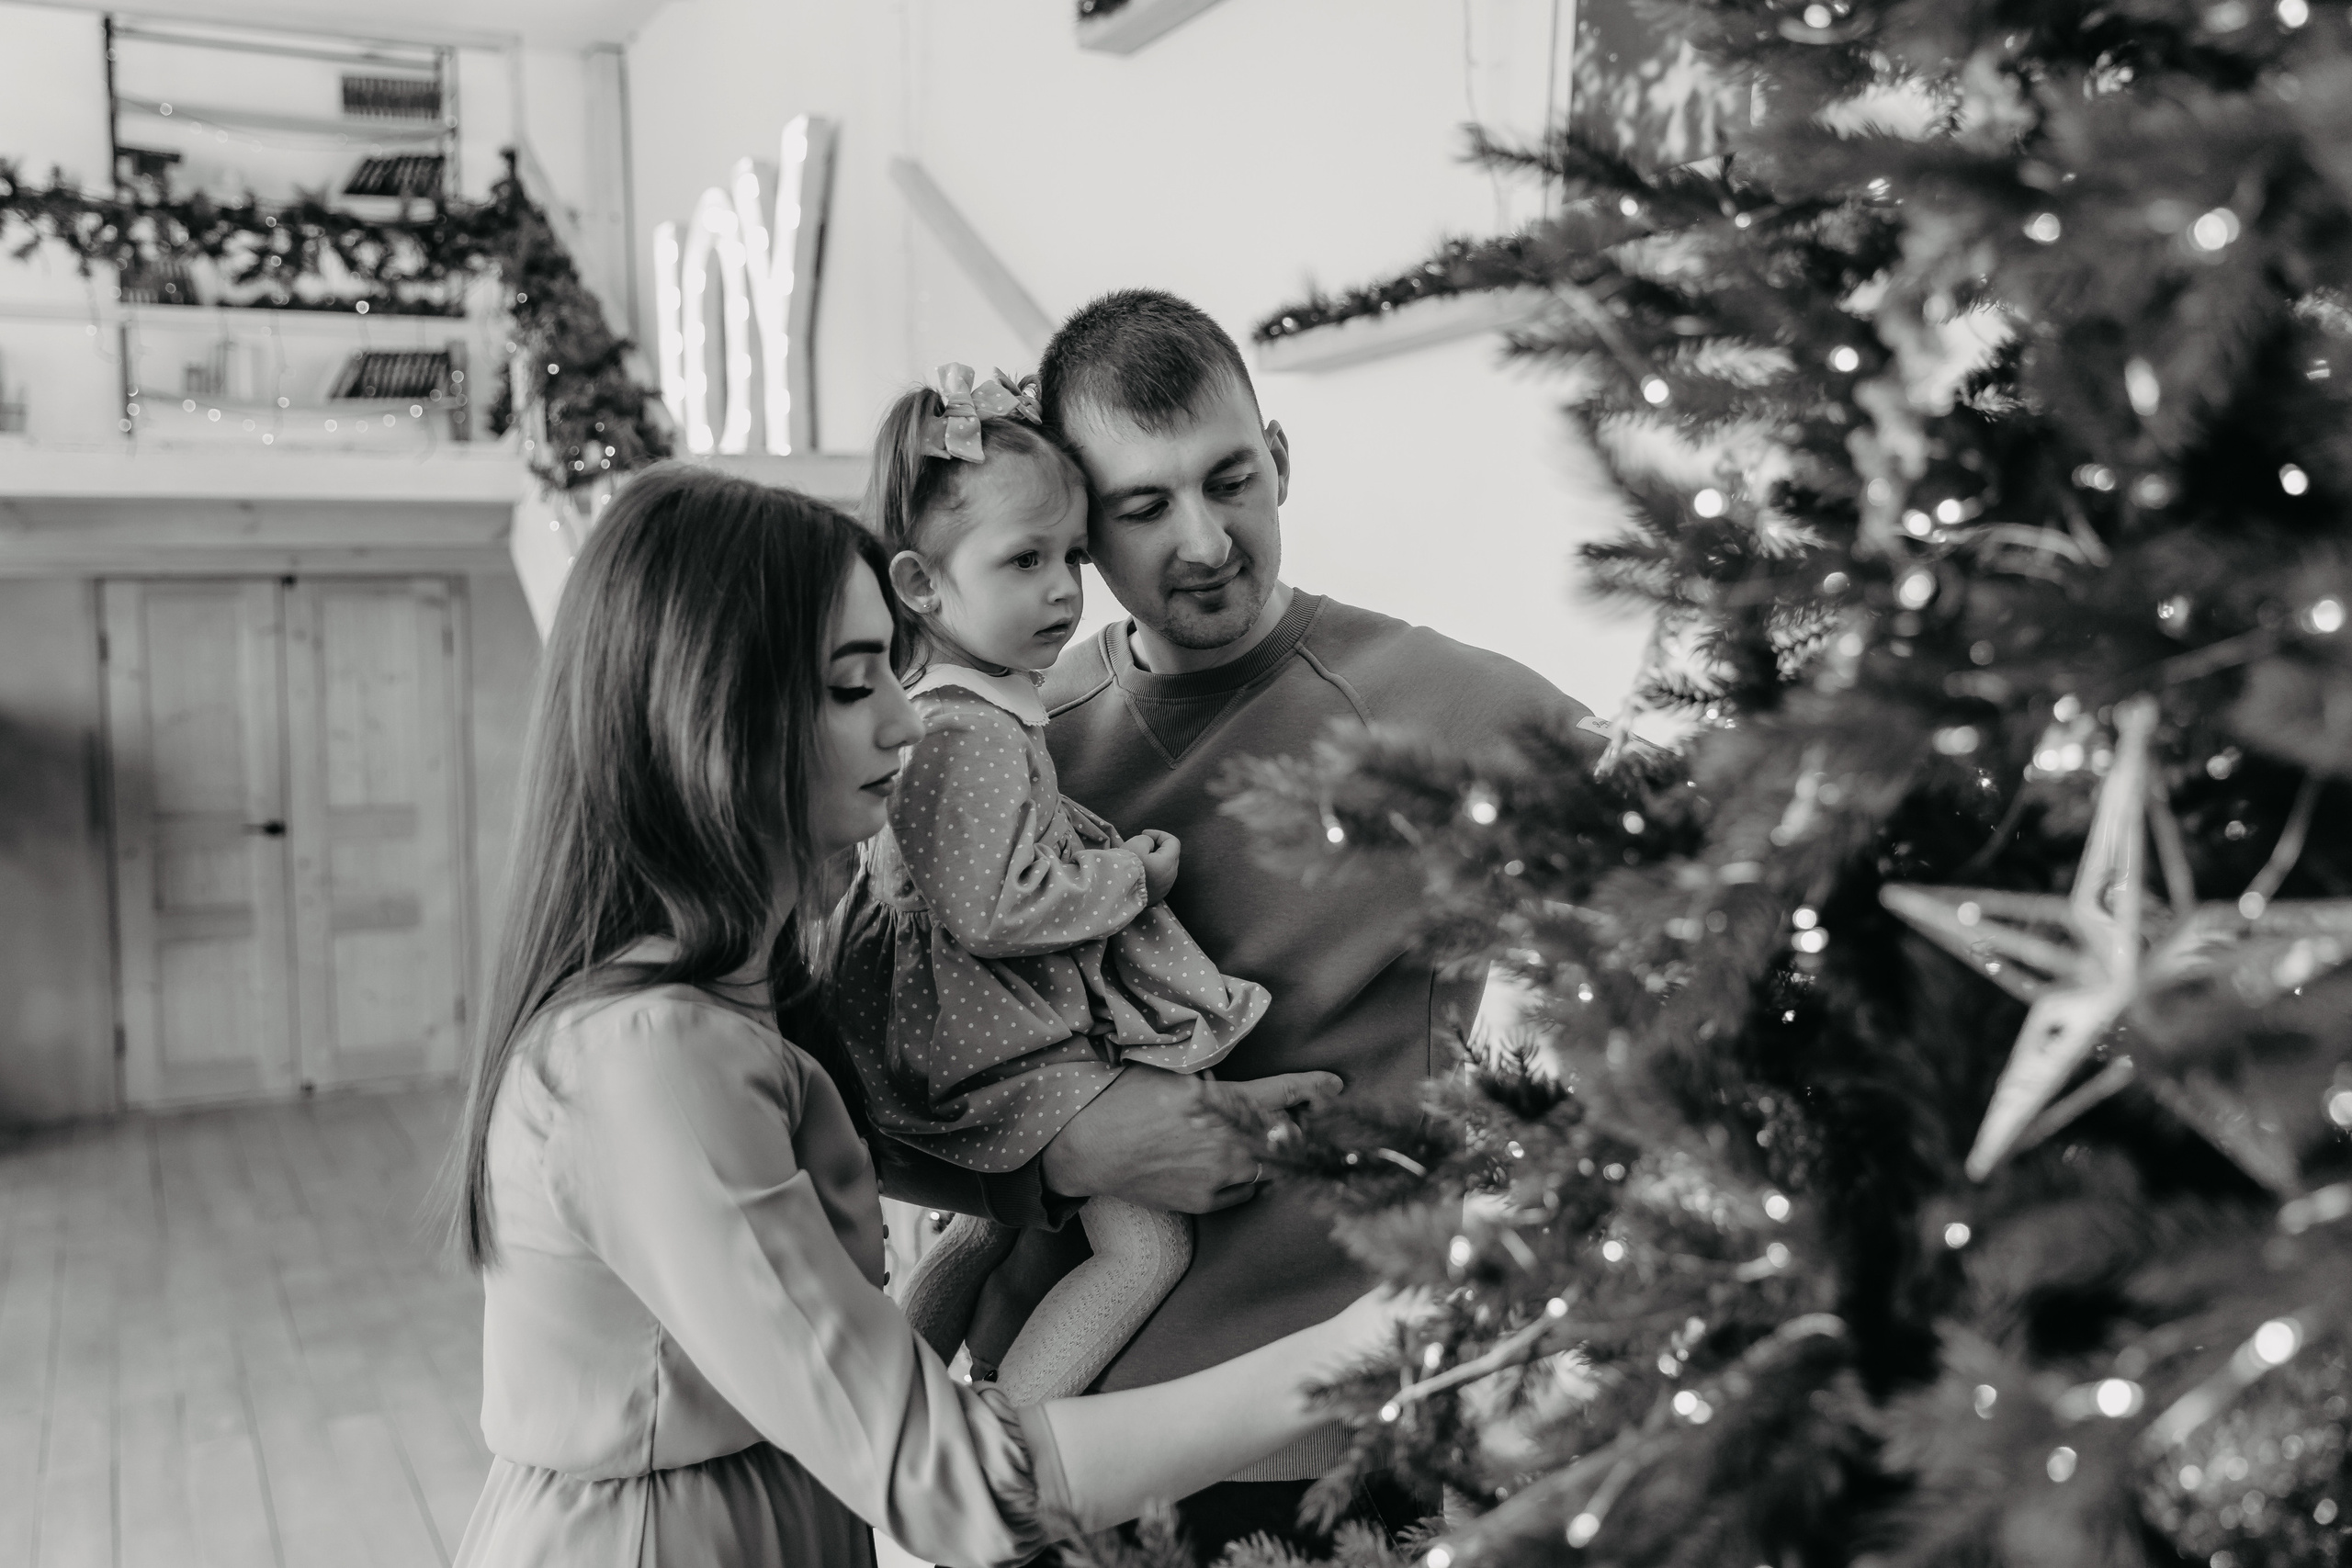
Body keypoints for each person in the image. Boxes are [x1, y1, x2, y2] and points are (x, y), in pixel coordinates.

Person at [439, 463, 1408, 1568]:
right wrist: (1363, 1350)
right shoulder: (650, 1057)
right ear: (710, 717)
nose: (907, 722)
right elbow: (961, 1489)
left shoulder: (755, 986)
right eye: (854, 687)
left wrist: (1089, 1144)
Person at [954, 289, 1604, 1560]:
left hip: (1313, 1440)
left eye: (1230, 478)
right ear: (1082, 526)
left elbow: (1695, 860)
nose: (1203, 539)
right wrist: (1065, 1154)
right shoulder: (1021, 737)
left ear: (1282, 459)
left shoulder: (1447, 708)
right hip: (1057, 1428)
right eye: (1144, 507)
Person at [831, 364, 1272, 1404]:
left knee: (987, 1223)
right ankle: (1006, 1439)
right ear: (921, 587)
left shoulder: (972, 703)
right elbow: (995, 908)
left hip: (978, 1038)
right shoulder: (968, 729)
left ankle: (895, 1395)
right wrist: (1131, 874)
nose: (1065, 590)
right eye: (1025, 560)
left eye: (1073, 555)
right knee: (1147, 1252)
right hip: (996, 1044)